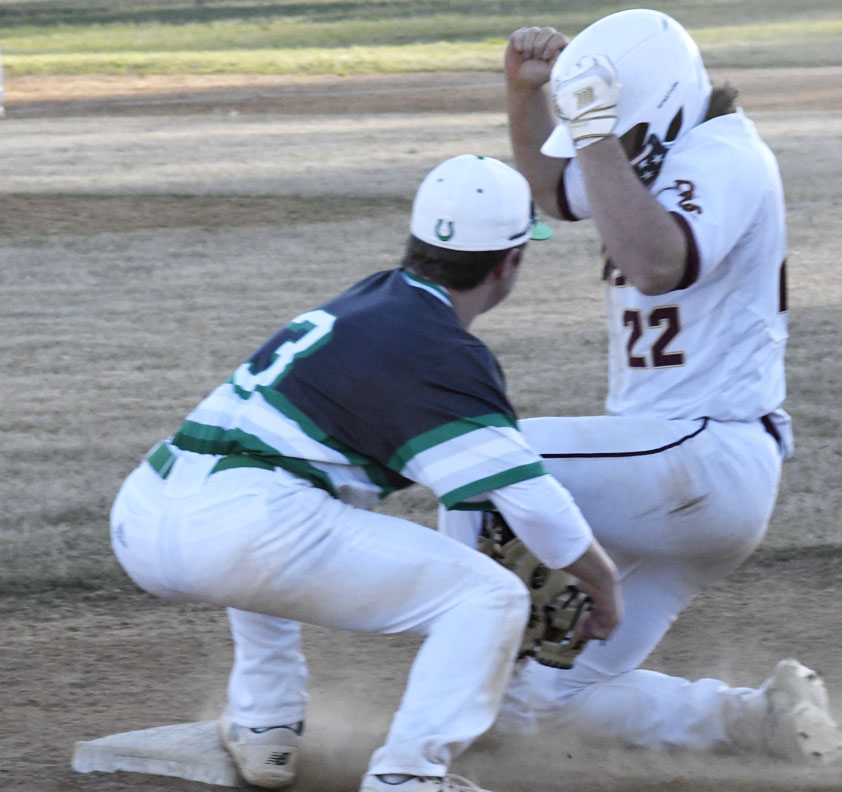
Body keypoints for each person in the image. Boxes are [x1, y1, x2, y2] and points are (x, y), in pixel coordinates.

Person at [109, 154, 623, 791]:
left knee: (284, 514)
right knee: (487, 596)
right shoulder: (440, 349)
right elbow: (534, 506)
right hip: (241, 526)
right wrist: (603, 585)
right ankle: (408, 776)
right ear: (509, 262)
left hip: (143, 513)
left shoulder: (366, 301)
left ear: (419, 242)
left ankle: (265, 723)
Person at [439, 9, 842, 762]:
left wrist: (594, 132)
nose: (601, 147)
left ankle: (447, 700)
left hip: (701, 454)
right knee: (544, 705)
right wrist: (525, 97)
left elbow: (660, 264)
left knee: (484, 461)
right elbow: (558, 193)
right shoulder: (661, 150)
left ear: (654, 120)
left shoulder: (725, 155)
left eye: (612, 130)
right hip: (668, 479)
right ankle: (753, 717)